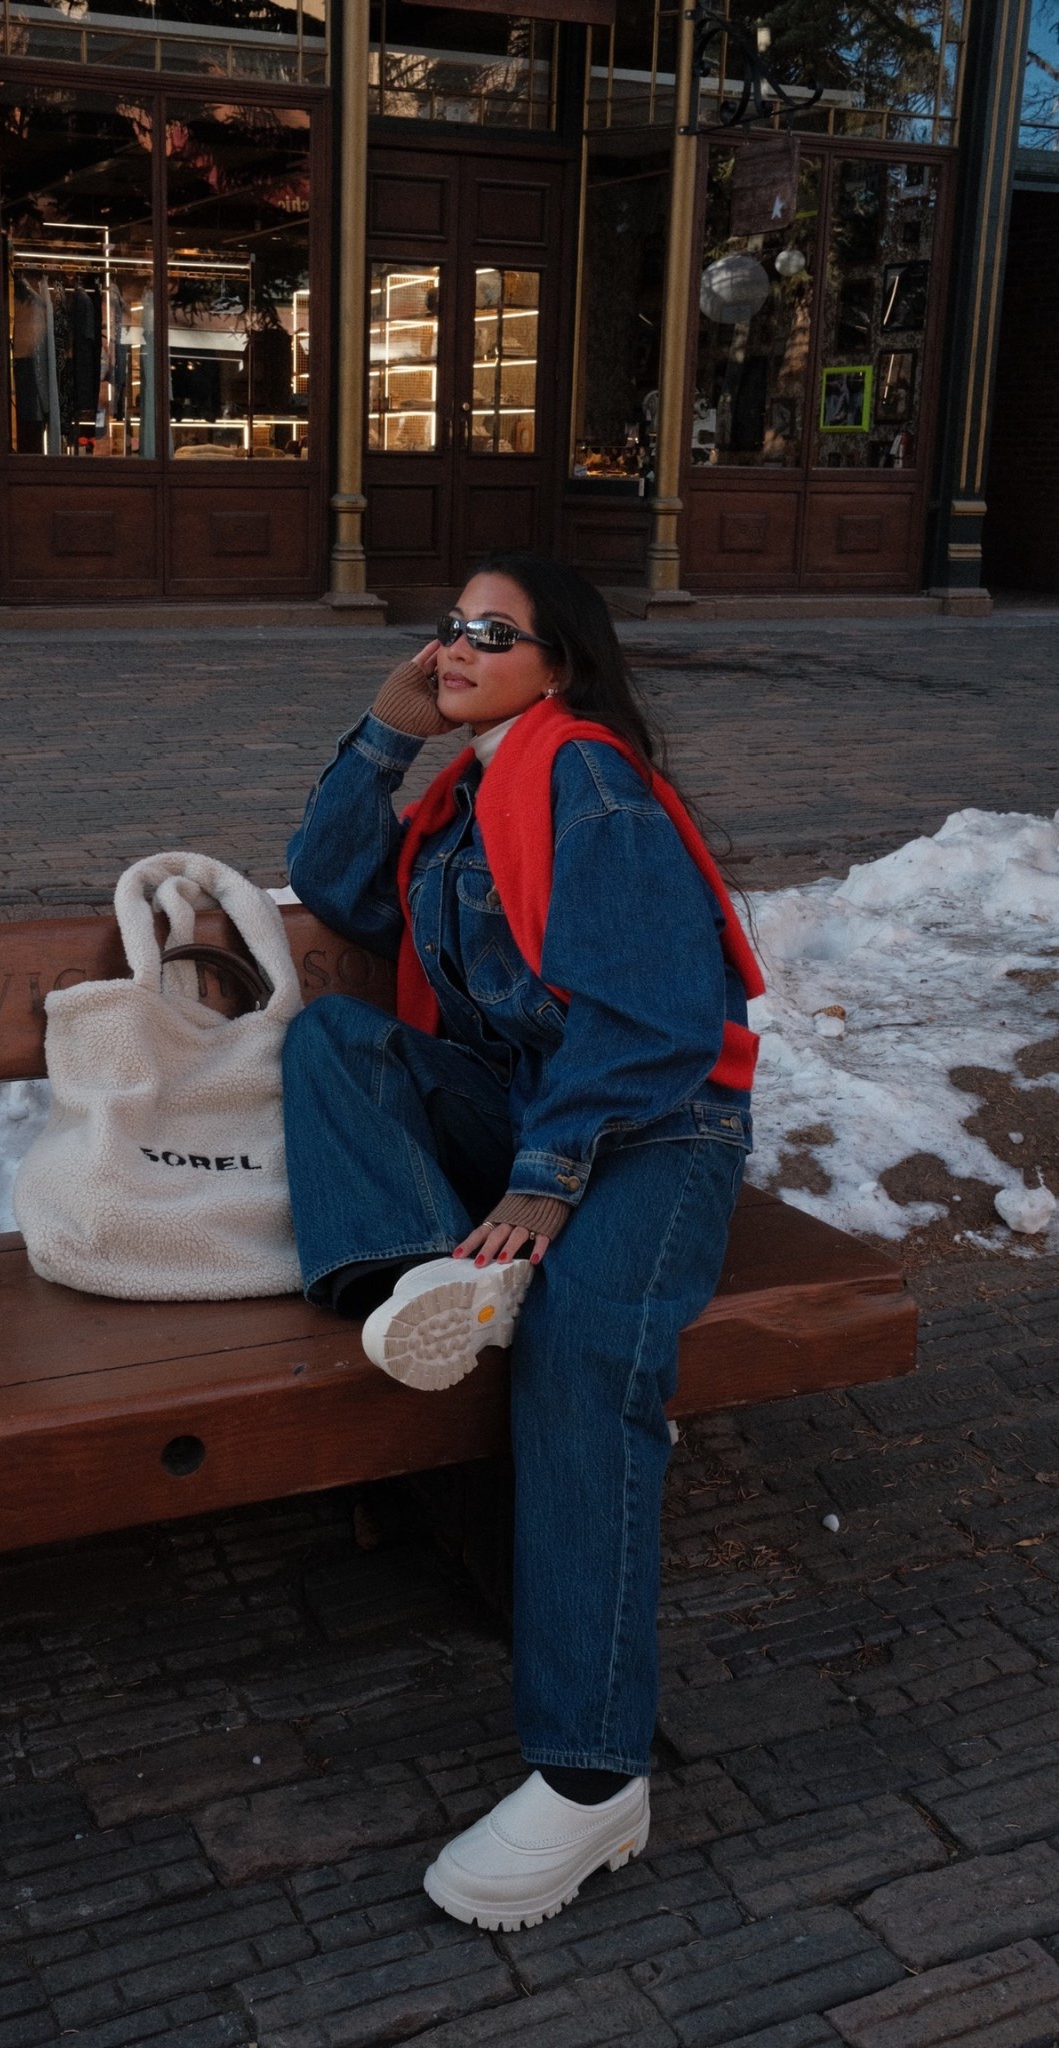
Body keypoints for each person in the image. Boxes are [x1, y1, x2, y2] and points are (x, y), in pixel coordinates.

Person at [281, 552, 761, 1933]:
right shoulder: (463, 796)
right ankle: (423, 1282)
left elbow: (662, 1018)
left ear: (559, 665)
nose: (456, 645)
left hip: (655, 1135)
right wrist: (385, 730)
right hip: (531, 1120)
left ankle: (590, 1774)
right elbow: (328, 882)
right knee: (334, 1036)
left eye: (492, 632)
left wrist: (546, 1187)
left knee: (580, 1361)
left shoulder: (585, 781)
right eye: (446, 628)